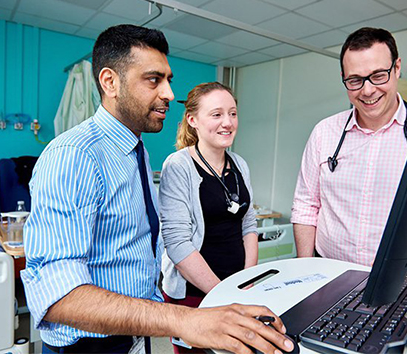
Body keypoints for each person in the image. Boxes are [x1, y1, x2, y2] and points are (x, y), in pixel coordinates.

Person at [21, 24, 294, 354]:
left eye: (168, 80)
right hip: (90, 344)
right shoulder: (75, 157)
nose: (167, 93)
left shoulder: (135, 150)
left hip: (134, 333)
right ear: (110, 82)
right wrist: (183, 319)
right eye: (154, 80)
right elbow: (58, 296)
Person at [291, 27, 407, 280]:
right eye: (354, 80)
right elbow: (306, 205)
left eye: (378, 75)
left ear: (397, 68)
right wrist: (306, 268)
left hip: (401, 278)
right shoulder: (325, 132)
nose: (367, 91)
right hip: (327, 274)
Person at [159, 82, 258, 352]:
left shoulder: (240, 164)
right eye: (216, 114)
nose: (227, 122)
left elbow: (248, 224)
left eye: (233, 113)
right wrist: (222, 292)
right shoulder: (178, 165)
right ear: (193, 120)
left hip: (237, 288)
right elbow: (178, 244)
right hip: (194, 294)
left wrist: (246, 281)